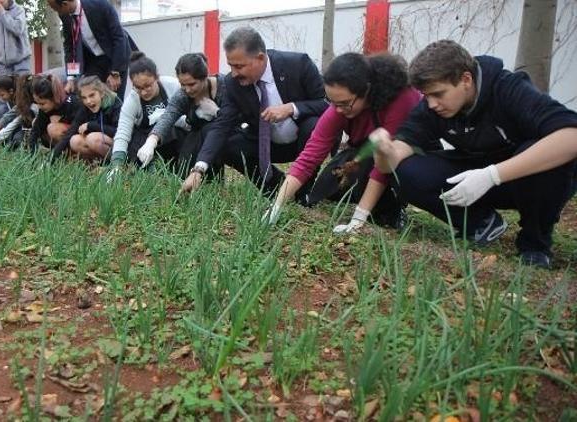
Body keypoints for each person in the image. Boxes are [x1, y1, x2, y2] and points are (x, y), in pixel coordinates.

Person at [370, 40, 577, 269]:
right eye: (426, 95)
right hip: (473, 173)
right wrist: (384, 151)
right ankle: (480, 223)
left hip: (524, 179)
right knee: (405, 172)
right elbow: (393, 160)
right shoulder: (431, 108)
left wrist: (492, 175)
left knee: (546, 156)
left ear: (466, 80)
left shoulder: (507, 88)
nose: (432, 104)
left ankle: (535, 244)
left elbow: (570, 136)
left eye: (438, 94)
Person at [266, 53, 422, 231]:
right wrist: (276, 206)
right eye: (333, 103)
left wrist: (358, 218)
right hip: (363, 151)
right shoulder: (339, 108)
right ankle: (368, 196)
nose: (338, 110)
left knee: (376, 168)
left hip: (404, 153)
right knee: (328, 188)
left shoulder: (401, 98)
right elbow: (309, 156)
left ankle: (392, 208)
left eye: (344, 103)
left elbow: (382, 168)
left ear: (367, 90)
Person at [180, 27, 328, 196]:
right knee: (226, 139)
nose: (234, 73)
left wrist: (291, 108)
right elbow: (221, 126)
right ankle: (275, 186)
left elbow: (326, 104)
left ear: (260, 58)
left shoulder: (298, 64)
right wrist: (198, 169)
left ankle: (303, 191)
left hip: (304, 141)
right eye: (230, 66)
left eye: (239, 66)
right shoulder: (232, 83)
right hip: (265, 145)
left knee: (314, 125)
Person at [146, 53, 226, 178]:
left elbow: (236, 117)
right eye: (183, 84)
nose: (187, 90)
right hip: (195, 137)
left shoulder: (224, 86)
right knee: (184, 167)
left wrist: (217, 112)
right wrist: (152, 140)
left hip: (224, 135)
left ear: (204, 77)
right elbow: (168, 116)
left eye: (192, 84)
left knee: (210, 132)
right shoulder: (183, 95)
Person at [109, 52, 187, 172]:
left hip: (174, 140)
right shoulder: (132, 100)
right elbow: (122, 134)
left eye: (148, 86)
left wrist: (166, 118)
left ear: (157, 77)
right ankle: (149, 169)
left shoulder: (174, 86)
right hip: (145, 145)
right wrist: (116, 165)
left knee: (171, 129)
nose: (144, 92)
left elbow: (189, 121)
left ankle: (178, 168)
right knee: (133, 136)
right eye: (138, 87)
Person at [46, 0, 134, 98]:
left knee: (114, 102)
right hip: (93, 62)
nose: (57, 12)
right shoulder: (65, 16)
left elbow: (119, 38)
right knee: (89, 97)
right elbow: (71, 48)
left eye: (57, 9)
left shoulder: (100, 5)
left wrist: (115, 73)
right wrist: (71, 78)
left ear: (65, 4)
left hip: (115, 58)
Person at [51, 75, 122, 162]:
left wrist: (91, 125)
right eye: (84, 98)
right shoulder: (85, 107)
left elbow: (119, 132)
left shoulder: (115, 103)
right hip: (99, 141)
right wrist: (52, 158)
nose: (88, 101)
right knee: (74, 141)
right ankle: (96, 162)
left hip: (119, 144)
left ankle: (118, 163)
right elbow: (70, 132)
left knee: (92, 139)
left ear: (102, 93)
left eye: (92, 95)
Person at [28, 74, 81, 152]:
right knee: (36, 122)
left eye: (42, 104)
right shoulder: (45, 109)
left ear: (54, 97)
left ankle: (73, 155)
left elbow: (75, 129)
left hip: (79, 137)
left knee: (53, 128)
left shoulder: (72, 104)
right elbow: (36, 130)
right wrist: (31, 151)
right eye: (37, 103)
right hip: (65, 141)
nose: (39, 107)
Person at [0, 0, 32, 76]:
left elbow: (18, 29)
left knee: (22, 87)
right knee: (4, 87)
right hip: (3, 66)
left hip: (21, 63)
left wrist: (2, 13)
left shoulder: (19, 10)